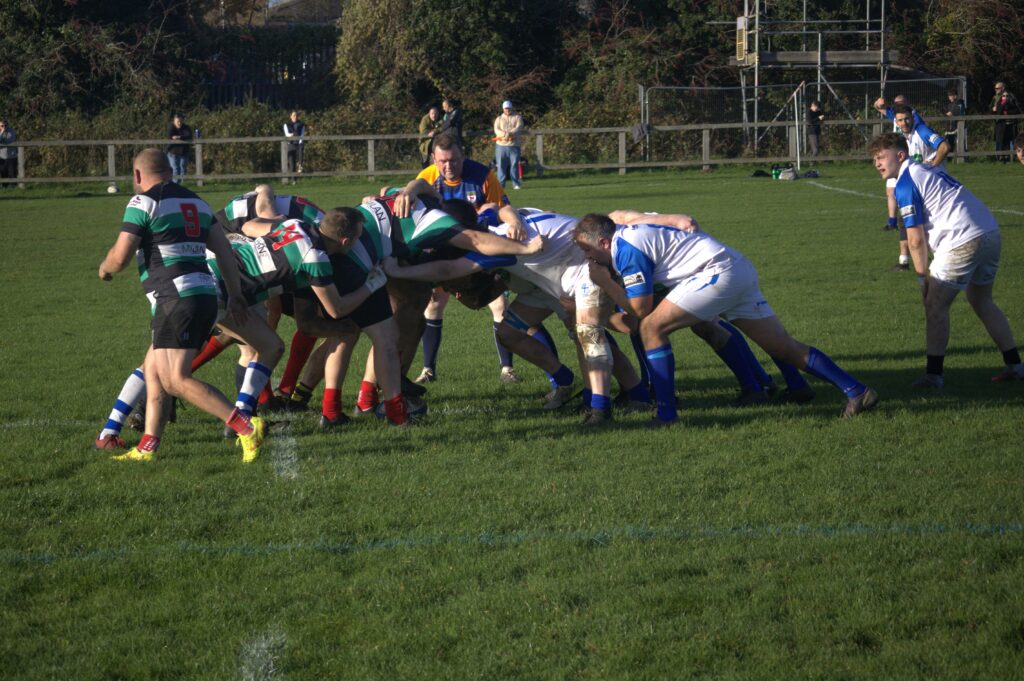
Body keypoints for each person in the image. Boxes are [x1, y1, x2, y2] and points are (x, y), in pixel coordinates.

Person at [572, 213, 879, 425]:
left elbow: (641, 311)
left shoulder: (624, 249)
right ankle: (857, 391)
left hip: (716, 272)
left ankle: (666, 415)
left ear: (603, 243)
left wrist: (605, 282)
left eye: (587, 250)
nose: (587, 258)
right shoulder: (629, 236)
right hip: (736, 267)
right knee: (783, 347)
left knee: (652, 327)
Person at [96, 148, 264, 461]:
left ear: (137, 175)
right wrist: (235, 294)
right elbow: (224, 252)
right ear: (170, 171)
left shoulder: (143, 203)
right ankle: (147, 447)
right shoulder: (198, 203)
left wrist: (104, 269)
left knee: (175, 379)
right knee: (154, 371)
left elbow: (119, 258)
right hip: (205, 294)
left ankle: (246, 426)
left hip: (175, 297)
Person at [870, 132, 1024, 387]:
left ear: (900, 155)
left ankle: (933, 376)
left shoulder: (905, 183)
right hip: (989, 232)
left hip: (962, 240)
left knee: (934, 306)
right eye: (874, 159)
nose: (877, 163)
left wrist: (922, 280)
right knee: (982, 300)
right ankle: (1016, 366)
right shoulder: (926, 168)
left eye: (881, 157)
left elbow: (915, 239)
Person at [412, 132, 529, 385]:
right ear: (433, 158)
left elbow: (502, 208)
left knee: (499, 304)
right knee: (434, 303)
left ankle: (507, 369)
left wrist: (507, 218)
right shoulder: (426, 178)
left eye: (454, 160)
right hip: (444, 250)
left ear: (463, 156)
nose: (448, 166)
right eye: (442, 161)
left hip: (480, 248)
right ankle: (428, 370)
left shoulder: (483, 176)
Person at [875, 97, 950, 272]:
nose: (904, 123)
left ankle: (940, 261)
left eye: (907, 119)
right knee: (906, 221)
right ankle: (904, 261)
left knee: (932, 227)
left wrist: (933, 166)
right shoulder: (901, 137)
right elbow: (880, 107)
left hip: (933, 187)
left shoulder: (922, 131)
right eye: (900, 120)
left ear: (913, 117)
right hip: (915, 186)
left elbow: (944, 147)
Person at [494, 100, 524, 189]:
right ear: (503, 109)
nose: (507, 110)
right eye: (506, 108)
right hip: (501, 146)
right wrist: (504, 134)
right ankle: (501, 185)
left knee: (514, 165)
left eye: (509, 108)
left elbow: (519, 127)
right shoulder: (499, 119)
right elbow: (496, 130)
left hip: (514, 145)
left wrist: (510, 133)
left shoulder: (517, 117)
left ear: (511, 108)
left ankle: (516, 184)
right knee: (501, 166)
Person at [990, 82, 1020, 163]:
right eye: (995, 88)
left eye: (997, 88)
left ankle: (1010, 158)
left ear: (1003, 88)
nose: (996, 90)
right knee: (1000, 141)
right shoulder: (995, 98)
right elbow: (993, 110)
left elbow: (1017, 109)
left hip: (1011, 124)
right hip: (1000, 123)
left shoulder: (1011, 97)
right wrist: (994, 109)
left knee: (1009, 141)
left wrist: (1007, 112)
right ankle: (1000, 158)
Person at [166, 114, 192, 183]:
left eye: (181, 121)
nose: (179, 123)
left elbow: (188, 135)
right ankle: (175, 184)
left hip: (184, 151)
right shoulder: (171, 127)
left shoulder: (186, 127)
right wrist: (181, 137)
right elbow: (169, 136)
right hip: (173, 152)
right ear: (174, 121)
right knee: (175, 169)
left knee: (183, 168)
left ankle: (183, 184)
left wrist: (178, 137)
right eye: (178, 121)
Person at [283, 110, 306, 176]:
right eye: (294, 115)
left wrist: (300, 142)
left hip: (298, 143)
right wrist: (293, 134)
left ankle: (300, 165)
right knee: (292, 163)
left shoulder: (301, 124)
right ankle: (294, 179)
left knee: (301, 151)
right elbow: (287, 135)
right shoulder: (286, 124)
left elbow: (302, 135)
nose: (295, 117)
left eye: (296, 115)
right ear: (290, 116)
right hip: (291, 144)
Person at [0, 118, 17, 187]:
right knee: (3, 173)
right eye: (2, 126)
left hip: (11, 156)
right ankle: (5, 187)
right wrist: (2, 132)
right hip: (2, 157)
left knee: (12, 173)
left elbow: (10, 140)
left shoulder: (12, 131)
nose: (4, 127)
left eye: (5, 125)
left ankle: (14, 188)